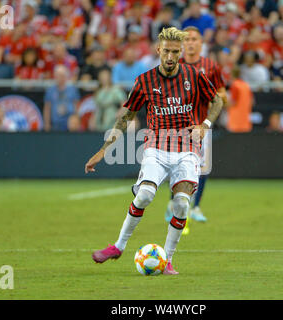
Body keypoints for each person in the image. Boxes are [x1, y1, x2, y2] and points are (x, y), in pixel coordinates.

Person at [84, 27, 223, 275]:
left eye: (176, 52)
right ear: (158, 50)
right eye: (167, 51)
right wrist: (104, 150)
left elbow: (217, 100)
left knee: (181, 204)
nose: (170, 57)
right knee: (146, 195)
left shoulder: (194, 75)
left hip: (187, 147)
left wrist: (205, 125)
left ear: (181, 52)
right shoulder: (144, 81)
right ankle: (117, 247)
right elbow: (126, 116)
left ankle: (167, 260)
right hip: (156, 146)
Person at [164, 26, 226, 228]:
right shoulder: (175, 64)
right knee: (175, 165)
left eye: (194, 39)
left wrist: (211, 98)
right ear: (183, 44)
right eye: (187, 39)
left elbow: (222, 94)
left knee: (201, 168)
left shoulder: (211, 66)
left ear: (201, 43)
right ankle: (174, 203)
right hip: (177, 124)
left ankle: (196, 206)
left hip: (201, 125)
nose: (191, 42)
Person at [43, 65, 80, 131]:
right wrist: (46, 123)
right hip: (56, 123)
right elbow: (47, 108)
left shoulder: (72, 89)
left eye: (62, 75)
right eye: (58, 75)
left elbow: (76, 106)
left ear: (66, 76)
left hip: (70, 124)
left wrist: (76, 120)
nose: (60, 78)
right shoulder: (50, 90)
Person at [226, 66, 254, 133]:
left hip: (235, 122)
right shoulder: (246, 85)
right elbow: (252, 101)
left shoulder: (235, 85)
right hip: (245, 122)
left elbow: (233, 102)